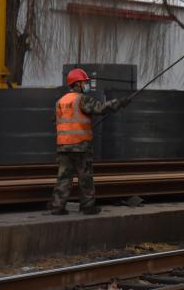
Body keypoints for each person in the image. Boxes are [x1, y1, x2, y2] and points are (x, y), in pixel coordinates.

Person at [49, 68, 130, 215]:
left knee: (63, 178)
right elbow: (100, 108)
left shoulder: (60, 102)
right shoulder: (82, 99)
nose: (86, 85)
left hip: (63, 147)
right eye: (84, 82)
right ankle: (87, 206)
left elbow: (57, 121)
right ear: (77, 84)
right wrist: (119, 103)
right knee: (85, 177)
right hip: (80, 146)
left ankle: (57, 206)